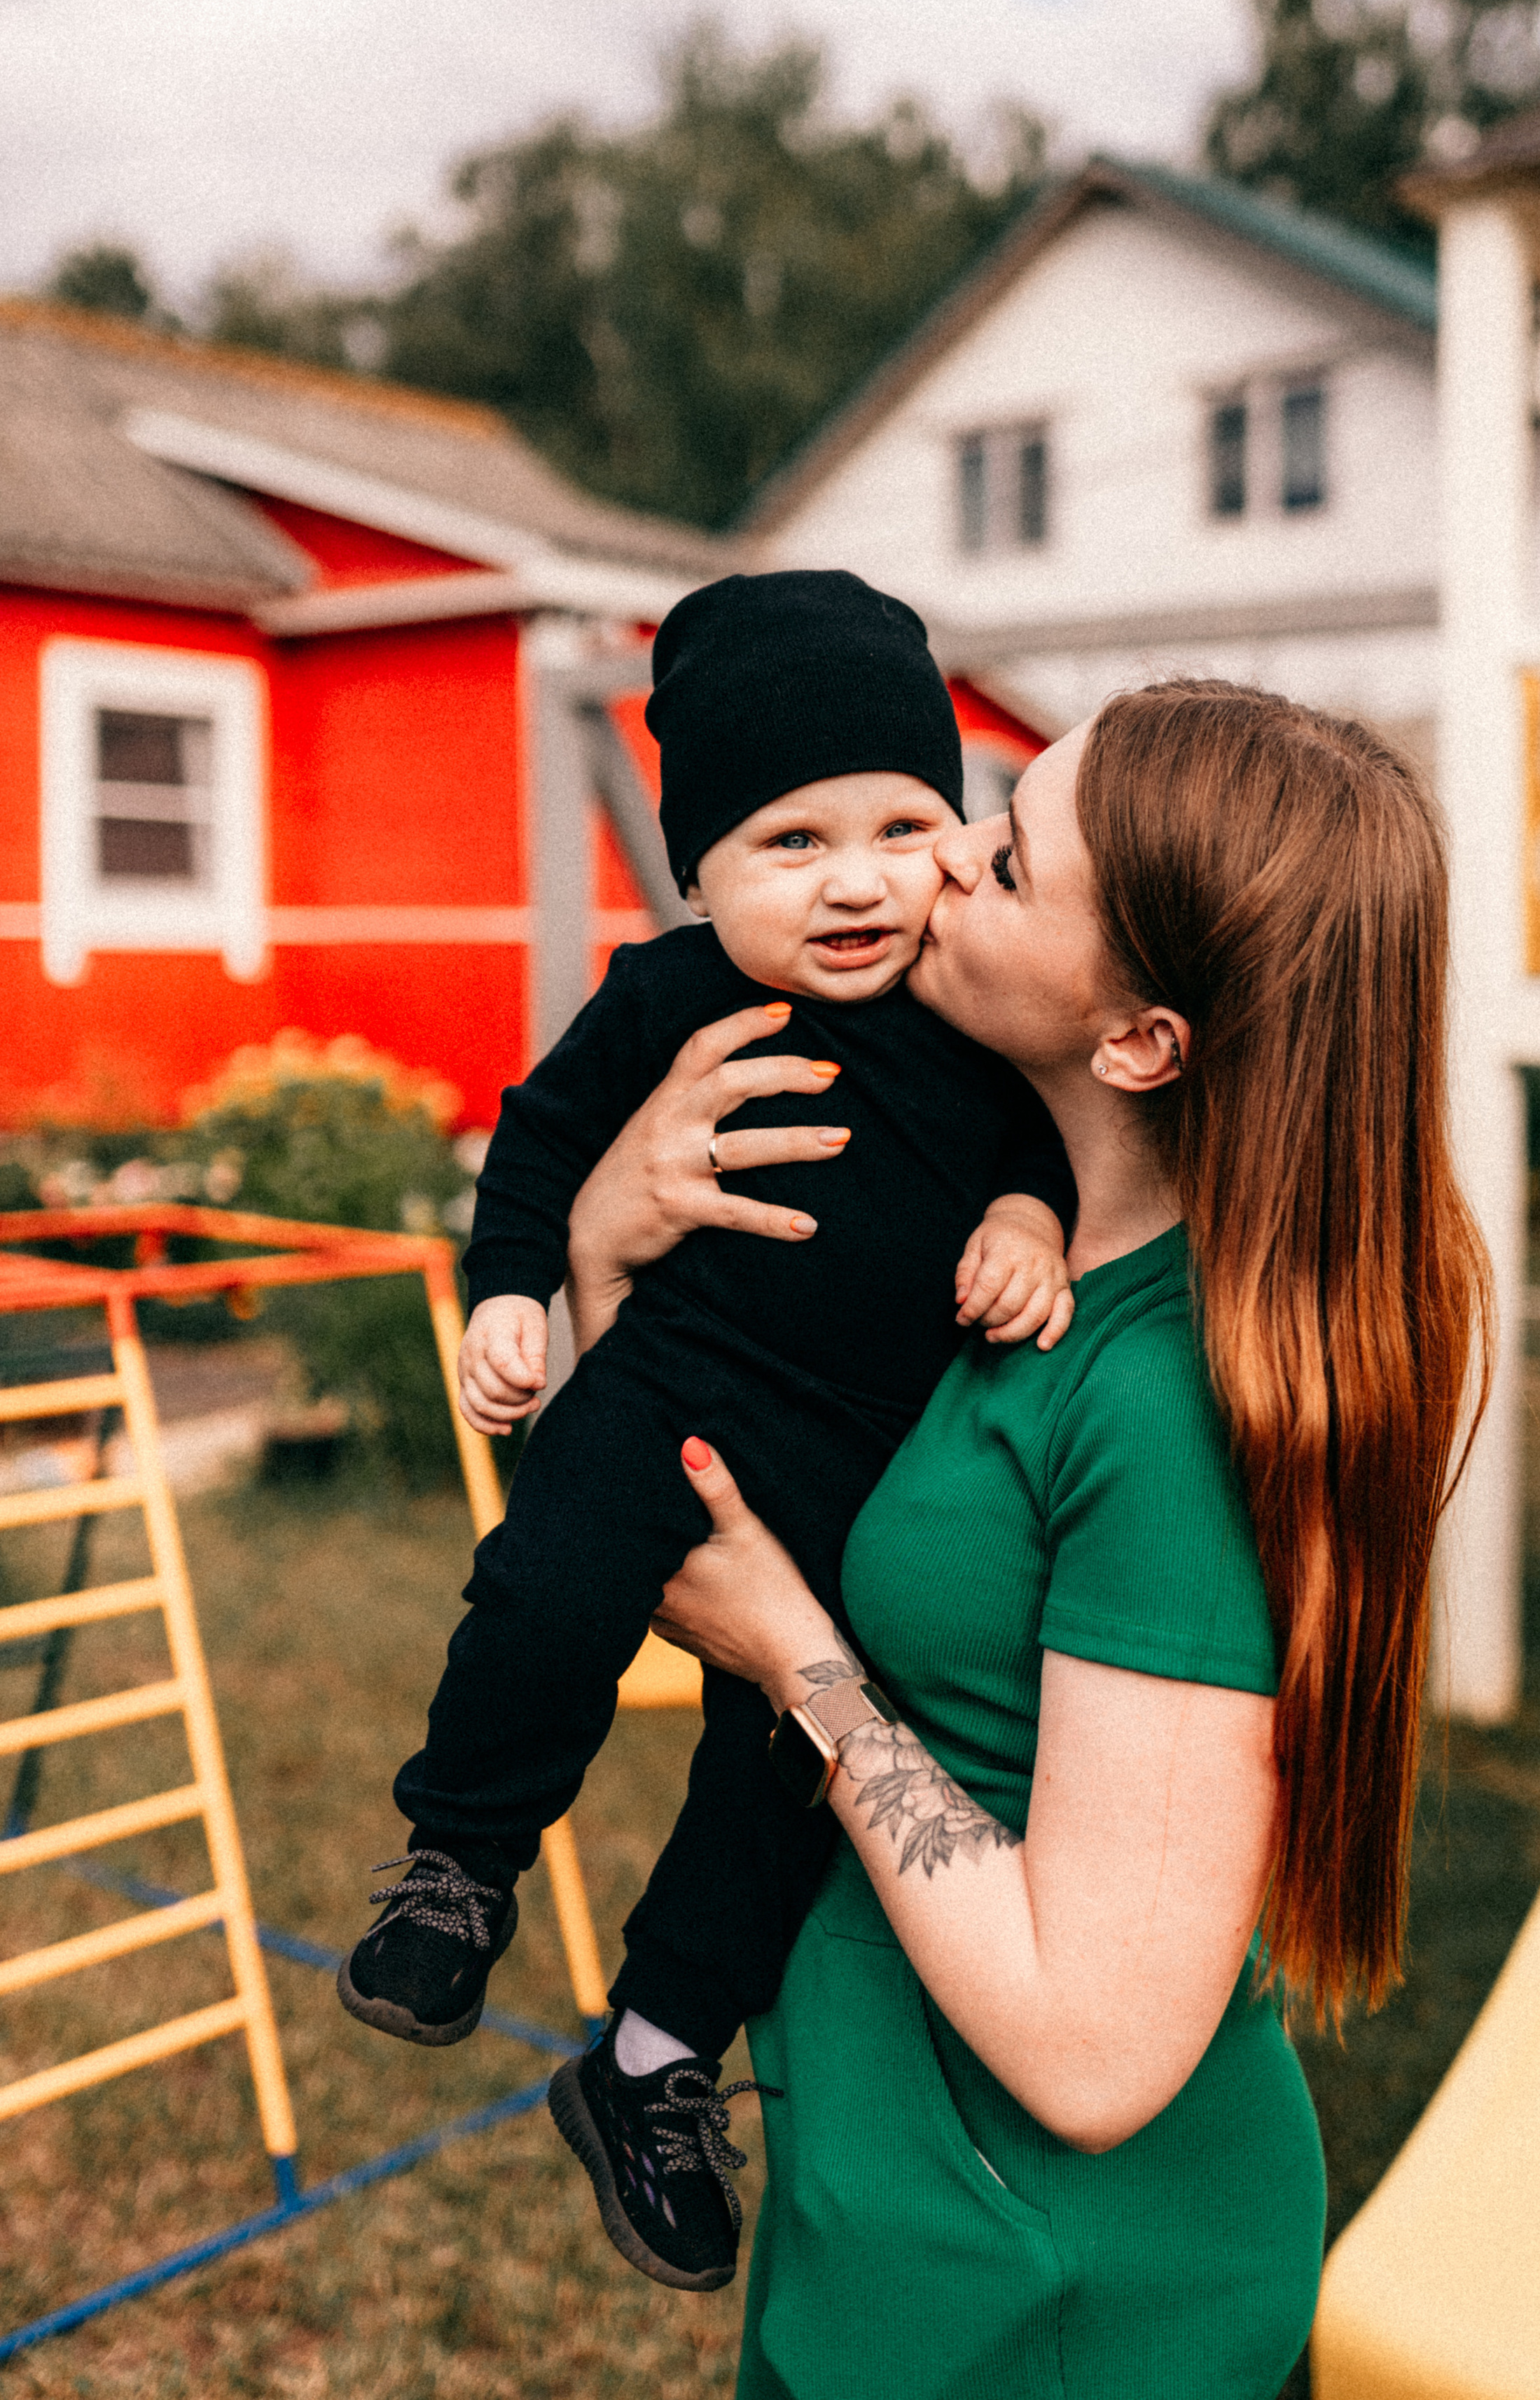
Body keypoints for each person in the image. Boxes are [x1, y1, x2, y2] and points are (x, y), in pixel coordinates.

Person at [553, 679, 1491, 2399]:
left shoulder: (1172, 1409)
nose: (938, 857)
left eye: (1004, 863)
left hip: (1055, 2297)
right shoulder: (1000, 1267)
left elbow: (1090, 2050)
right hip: (889, 2209)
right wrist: (606, 1240)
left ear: (1135, 1036)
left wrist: (804, 1670)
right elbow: (687, 1487)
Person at [339, 569, 1076, 2292]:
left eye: (903, 826)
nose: (856, 879)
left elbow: (1047, 1154)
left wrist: (1028, 1227)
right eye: (788, 842)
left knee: (785, 1787)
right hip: (666, 1395)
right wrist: (516, 1286)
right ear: (699, 874)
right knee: (542, 1594)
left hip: (862, 1470)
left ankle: (654, 2065)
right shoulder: (668, 997)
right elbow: (536, 1143)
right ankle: (456, 1862)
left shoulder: (968, 1017)